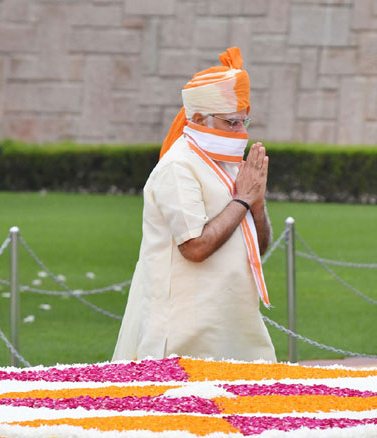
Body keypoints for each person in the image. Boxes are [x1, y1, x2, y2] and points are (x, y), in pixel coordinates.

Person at [112, 47, 276, 362]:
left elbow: (261, 245)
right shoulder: (178, 167)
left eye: (244, 121)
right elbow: (195, 247)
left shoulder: (230, 165)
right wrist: (242, 198)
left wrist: (256, 202)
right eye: (232, 123)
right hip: (185, 333)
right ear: (199, 118)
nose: (242, 132)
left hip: (236, 325)